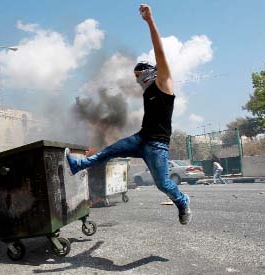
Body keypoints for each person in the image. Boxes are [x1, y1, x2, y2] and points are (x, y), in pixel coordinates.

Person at [65, 4, 191, 225]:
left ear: (149, 71)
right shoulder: (147, 92)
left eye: (138, 74)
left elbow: (160, 52)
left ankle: (182, 201)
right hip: (141, 138)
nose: (136, 79)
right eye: (134, 77)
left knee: (162, 184)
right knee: (110, 151)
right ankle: (79, 165)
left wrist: (150, 21)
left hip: (157, 146)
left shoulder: (163, 83)